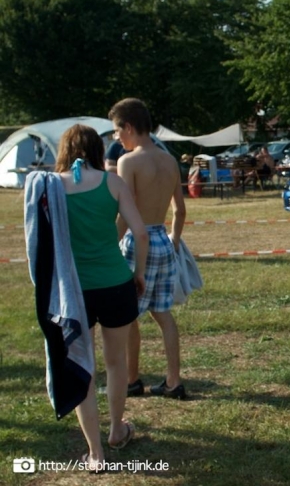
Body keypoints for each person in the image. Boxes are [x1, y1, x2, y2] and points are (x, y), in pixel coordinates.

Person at [55, 125, 149, 469]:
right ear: (98, 149)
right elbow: (140, 233)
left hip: (73, 291)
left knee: (83, 368)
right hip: (115, 284)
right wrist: (139, 273)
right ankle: (116, 430)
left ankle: (95, 453)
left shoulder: (52, 186)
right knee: (116, 363)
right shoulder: (113, 182)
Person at [108, 98, 188, 400]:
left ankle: (131, 380)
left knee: (128, 317)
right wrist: (174, 240)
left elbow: (125, 212)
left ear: (129, 127)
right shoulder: (169, 161)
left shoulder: (128, 162)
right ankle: (173, 382)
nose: (117, 138)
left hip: (137, 240)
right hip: (162, 240)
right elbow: (180, 211)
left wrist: (109, 244)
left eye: (117, 131)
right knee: (163, 314)